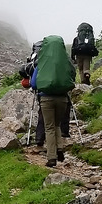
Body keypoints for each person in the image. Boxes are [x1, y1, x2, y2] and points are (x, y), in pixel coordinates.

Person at [31, 36, 75, 167]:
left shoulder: (42, 62)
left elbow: (33, 84)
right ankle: (60, 149)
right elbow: (72, 77)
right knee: (57, 124)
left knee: (49, 127)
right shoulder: (66, 62)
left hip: (46, 98)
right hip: (62, 98)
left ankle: (51, 157)